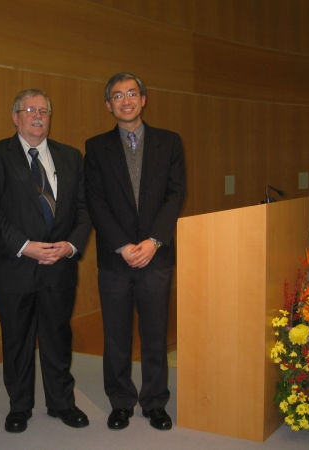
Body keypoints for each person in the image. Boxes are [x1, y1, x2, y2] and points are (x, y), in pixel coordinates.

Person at [84, 73, 186, 431]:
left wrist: (154, 242)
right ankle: (121, 402)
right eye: (117, 96)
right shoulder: (96, 147)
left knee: (156, 333)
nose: (125, 101)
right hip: (116, 259)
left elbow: (175, 195)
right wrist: (125, 245)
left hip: (156, 257)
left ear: (144, 99)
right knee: (116, 335)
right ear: (108, 105)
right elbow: (95, 201)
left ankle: (155, 402)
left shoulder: (169, 143)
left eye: (131, 94)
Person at [0, 89, 91, 433]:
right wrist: (24, 246)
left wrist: (71, 246)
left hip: (59, 266)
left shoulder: (72, 157)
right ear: (15, 116)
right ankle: (20, 407)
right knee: (16, 339)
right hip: (13, 266)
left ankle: (62, 402)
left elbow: (83, 210)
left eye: (44, 111)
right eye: (29, 110)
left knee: (58, 339)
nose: (37, 116)